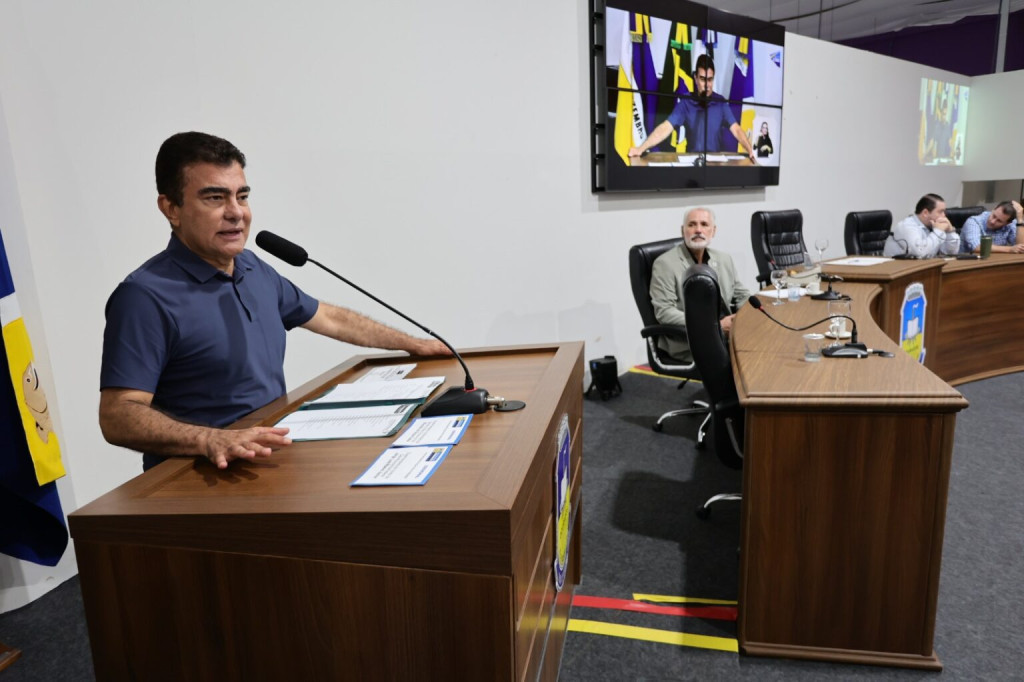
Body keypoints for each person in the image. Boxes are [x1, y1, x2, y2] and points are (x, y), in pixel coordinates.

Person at [99, 132, 449, 471]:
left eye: (242, 196)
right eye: (215, 198)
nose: (236, 213)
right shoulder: (145, 296)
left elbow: (329, 318)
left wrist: (411, 344)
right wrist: (210, 439)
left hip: (269, 463)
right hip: (195, 481)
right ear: (171, 208)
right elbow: (118, 415)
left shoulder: (252, 267)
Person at [649, 207, 751, 363]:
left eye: (704, 224)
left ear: (713, 231)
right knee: (751, 359)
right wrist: (714, 326)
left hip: (728, 335)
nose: (698, 230)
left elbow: (742, 294)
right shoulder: (665, 264)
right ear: (683, 230)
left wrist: (742, 318)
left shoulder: (724, 259)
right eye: (691, 225)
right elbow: (665, 312)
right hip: (691, 342)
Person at [628, 55, 757, 162]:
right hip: (692, 162)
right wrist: (641, 148)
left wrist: (749, 149)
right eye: (702, 79)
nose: (707, 85)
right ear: (695, 78)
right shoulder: (686, 102)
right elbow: (666, 127)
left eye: (710, 80)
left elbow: (736, 129)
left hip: (715, 164)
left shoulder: (721, 103)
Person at [882, 193, 960, 258]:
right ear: (925, 213)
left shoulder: (934, 226)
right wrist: (938, 232)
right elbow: (920, 254)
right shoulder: (907, 226)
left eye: (944, 212)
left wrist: (950, 231)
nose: (944, 216)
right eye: (940, 212)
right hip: (896, 269)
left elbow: (950, 253)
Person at [959, 200, 1024, 254]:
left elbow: (1021, 248)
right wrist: (1009, 249)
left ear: (1007, 223)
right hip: (969, 262)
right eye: (994, 216)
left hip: (996, 261)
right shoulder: (974, 221)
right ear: (993, 209)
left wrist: (1020, 220)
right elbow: (976, 247)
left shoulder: (1011, 224)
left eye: (999, 221)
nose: (992, 221)